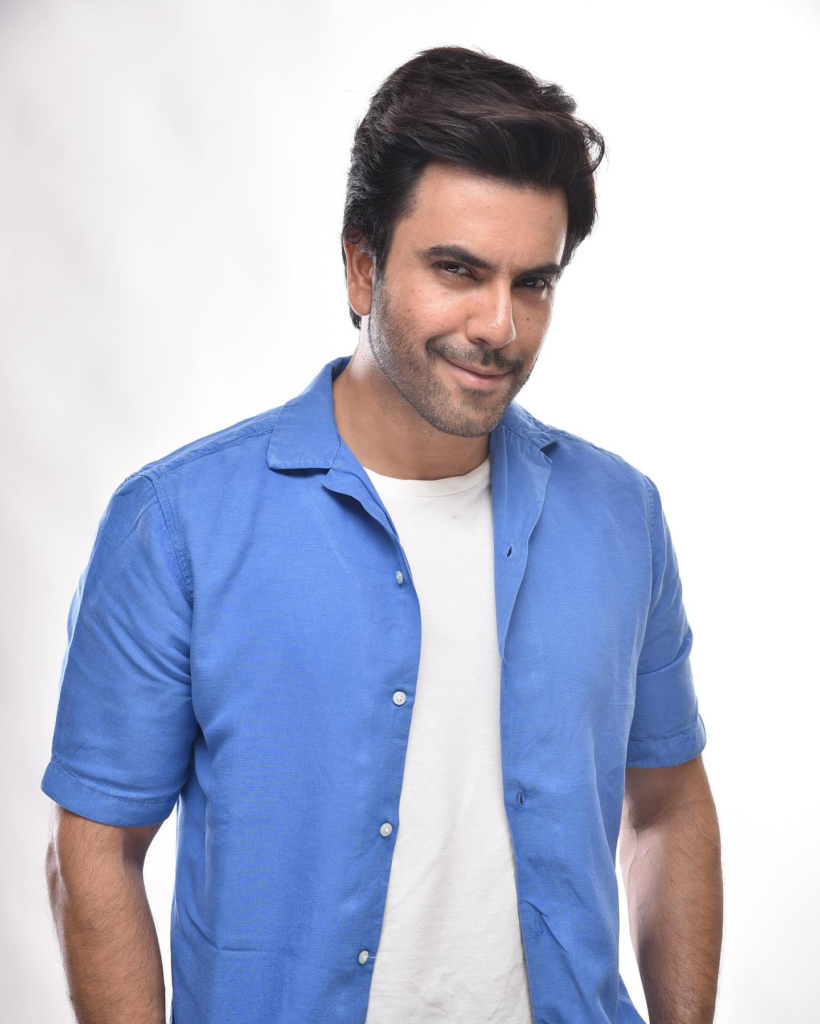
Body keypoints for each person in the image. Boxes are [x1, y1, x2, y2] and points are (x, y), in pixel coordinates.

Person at [41, 44, 722, 1024]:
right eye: (458, 269)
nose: (499, 325)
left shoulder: (621, 515)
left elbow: (666, 806)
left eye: (533, 282)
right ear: (362, 266)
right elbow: (95, 848)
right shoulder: (178, 524)